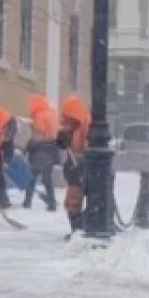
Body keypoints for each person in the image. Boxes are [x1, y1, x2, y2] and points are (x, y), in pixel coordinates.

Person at [58, 95, 91, 234]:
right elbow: (65, 146)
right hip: (74, 169)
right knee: (72, 201)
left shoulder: (86, 124)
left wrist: (81, 159)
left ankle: (81, 228)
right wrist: (62, 141)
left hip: (83, 168)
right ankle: (76, 229)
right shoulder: (71, 127)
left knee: (82, 199)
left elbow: (88, 146)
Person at [23, 94, 61, 210]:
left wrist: (29, 146)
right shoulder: (52, 115)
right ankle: (51, 202)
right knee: (47, 178)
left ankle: (27, 201)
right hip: (52, 149)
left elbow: (38, 135)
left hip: (41, 151)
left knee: (31, 177)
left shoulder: (39, 116)